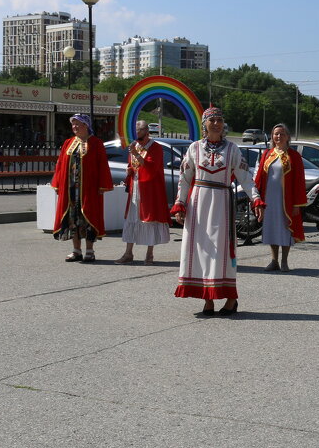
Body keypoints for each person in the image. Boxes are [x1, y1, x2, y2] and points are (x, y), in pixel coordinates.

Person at [170, 107, 265, 316]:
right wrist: (180, 203)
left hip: (222, 203)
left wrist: (256, 199)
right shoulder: (194, 148)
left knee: (221, 251)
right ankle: (208, 300)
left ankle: (231, 298)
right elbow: (185, 179)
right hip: (198, 204)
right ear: (204, 124)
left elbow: (245, 177)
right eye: (211, 120)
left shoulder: (232, 149)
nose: (216, 124)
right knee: (200, 250)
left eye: (219, 120)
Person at [51, 114, 113, 263]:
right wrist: (58, 183)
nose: (75, 127)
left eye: (78, 124)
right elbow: (60, 164)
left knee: (87, 217)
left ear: (86, 125)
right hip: (70, 188)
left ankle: (90, 251)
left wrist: (102, 185)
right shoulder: (68, 143)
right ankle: (76, 251)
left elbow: (102, 165)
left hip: (89, 188)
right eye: (73, 125)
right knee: (73, 218)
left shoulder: (96, 143)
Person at [116, 119, 171, 265]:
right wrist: (129, 170)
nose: (136, 133)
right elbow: (133, 165)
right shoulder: (135, 146)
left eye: (139, 130)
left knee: (149, 220)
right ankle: (128, 253)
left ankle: (149, 254)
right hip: (136, 187)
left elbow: (152, 168)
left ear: (146, 131)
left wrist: (136, 154)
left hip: (150, 190)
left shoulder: (155, 147)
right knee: (132, 219)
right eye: (135, 130)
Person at [255, 123, 307, 272]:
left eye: (282, 134)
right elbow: (260, 176)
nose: (278, 136)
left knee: (285, 229)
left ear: (288, 137)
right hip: (269, 199)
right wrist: (256, 197)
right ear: (272, 136)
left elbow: (299, 181)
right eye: (276, 134)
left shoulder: (294, 156)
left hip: (286, 200)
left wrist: (297, 204)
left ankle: (284, 261)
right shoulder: (267, 154)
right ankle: (274, 260)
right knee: (271, 228)